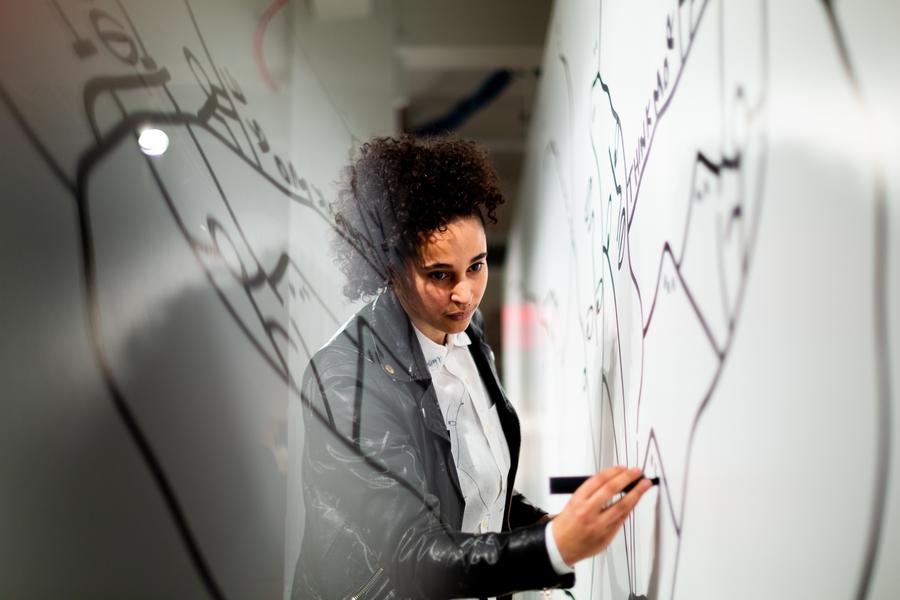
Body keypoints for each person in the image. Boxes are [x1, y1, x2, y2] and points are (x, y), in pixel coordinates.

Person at [292, 135, 652, 599]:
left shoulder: (468, 334)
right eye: (440, 275)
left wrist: (546, 527)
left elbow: (475, 493)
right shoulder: (344, 382)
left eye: (477, 266)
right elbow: (414, 556)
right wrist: (551, 548)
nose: (464, 294)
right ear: (391, 267)